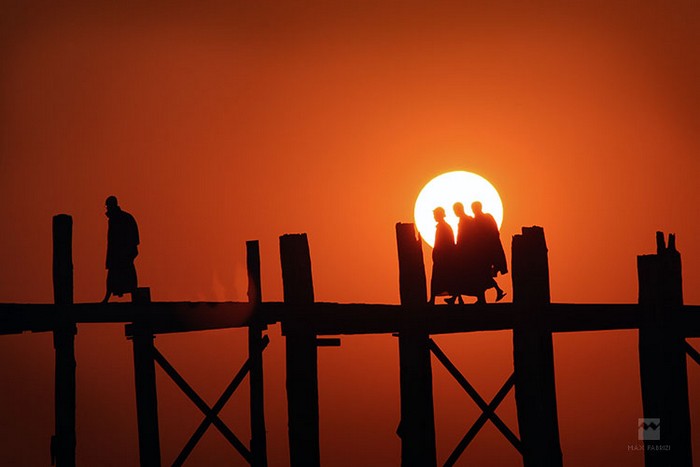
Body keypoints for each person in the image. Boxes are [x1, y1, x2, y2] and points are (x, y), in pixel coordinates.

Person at [102, 196, 139, 303]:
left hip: (124, 253)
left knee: (129, 276)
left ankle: (134, 297)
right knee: (113, 277)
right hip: (116, 254)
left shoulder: (124, 218)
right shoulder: (114, 219)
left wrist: (127, 252)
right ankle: (107, 297)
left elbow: (133, 237)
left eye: (108, 206)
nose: (107, 209)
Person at [470, 201, 507, 303]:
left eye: (474, 208)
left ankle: (496, 291)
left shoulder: (479, 220)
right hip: (487, 252)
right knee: (482, 275)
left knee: (483, 274)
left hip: (483, 253)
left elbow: (479, 236)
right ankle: (483, 297)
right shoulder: (487, 218)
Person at [429, 207, 459, 305]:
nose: (434, 217)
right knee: (446, 278)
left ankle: (433, 300)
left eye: (435, 215)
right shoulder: (444, 227)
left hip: (444, 258)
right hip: (442, 257)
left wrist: (439, 254)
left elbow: (445, 243)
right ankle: (454, 298)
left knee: (443, 278)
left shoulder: (444, 227)